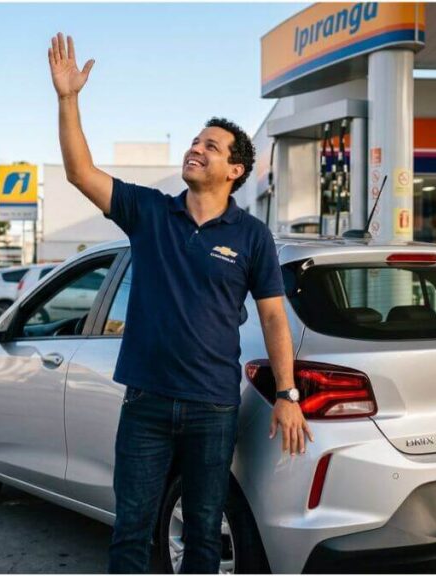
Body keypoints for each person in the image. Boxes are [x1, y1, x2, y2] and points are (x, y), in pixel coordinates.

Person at [49, 33, 312, 574]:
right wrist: (68, 99)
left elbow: (272, 318)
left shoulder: (252, 236)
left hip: (213, 409)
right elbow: (80, 173)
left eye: (211, 146)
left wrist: (287, 393)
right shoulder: (148, 212)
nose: (196, 148)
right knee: (131, 532)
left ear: (235, 170)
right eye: (196, 140)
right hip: (145, 403)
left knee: (202, 538)